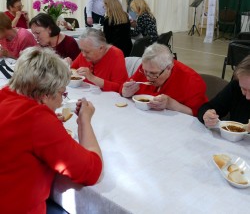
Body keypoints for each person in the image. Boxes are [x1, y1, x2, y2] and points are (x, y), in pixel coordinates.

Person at [0, 47, 102, 213]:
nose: (62, 100)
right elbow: (91, 171)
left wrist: (49, 123)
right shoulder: (37, 118)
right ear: (46, 94)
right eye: (62, 93)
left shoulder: (5, 94)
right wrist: (85, 121)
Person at [121, 43, 207, 116]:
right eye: (145, 71)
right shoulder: (146, 68)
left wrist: (171, 104)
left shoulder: (192, 81)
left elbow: (200, 114)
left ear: (169, 67)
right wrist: (125, 91)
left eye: (153, 74)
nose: (147, 77)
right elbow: (123, 86)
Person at [198, 55, 250, 127]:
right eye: (243, 89)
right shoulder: (236, 86)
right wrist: (206, 115)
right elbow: (209, 107)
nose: (247, 97)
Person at [71, 28, 128, 92]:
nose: (83, 55)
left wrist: (92, 78)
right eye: (81, 50)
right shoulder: (85, 51)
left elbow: (120, 87)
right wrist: (65, 66)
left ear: (101, 48)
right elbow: (72, 70)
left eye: (87, 52)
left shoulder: (116, 54)